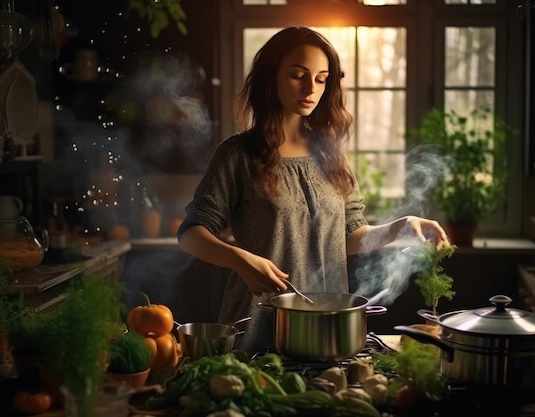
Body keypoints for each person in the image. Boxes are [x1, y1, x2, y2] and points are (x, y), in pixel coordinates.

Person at [177, 25, 449, 351]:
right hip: (257, 328)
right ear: (271, 76)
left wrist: (403, 228)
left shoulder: (332, 157)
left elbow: (350, 236)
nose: (311, 88)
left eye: (321, 79)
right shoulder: (238, 155)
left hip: (327, 328)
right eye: (298, 75)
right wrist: (239, 259)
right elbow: (191, 234)